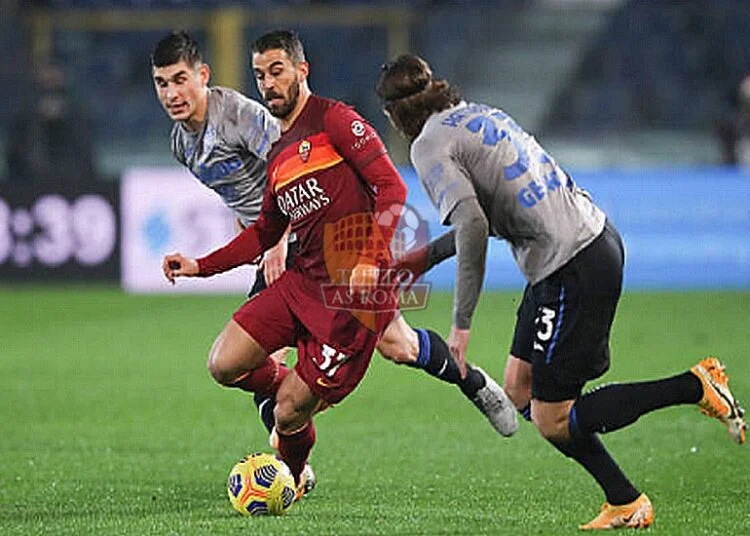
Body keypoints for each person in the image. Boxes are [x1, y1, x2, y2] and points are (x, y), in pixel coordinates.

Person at [376, 54, 747, 530]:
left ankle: (692, 388)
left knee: (553, 418)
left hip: (573, 263)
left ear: (393, 113)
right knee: (520, 390)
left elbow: (471, 224)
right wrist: (421, 259)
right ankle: (624, 499)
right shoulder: (478, 114)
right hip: (582, 246)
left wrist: (461, 324)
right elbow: (488, 216)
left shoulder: (428, 145)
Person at [159, 31, 517, 497]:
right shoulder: (259, 150)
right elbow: (267, 223)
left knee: (388, 354)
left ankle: (467, 383)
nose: (267, 84)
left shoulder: (330, 120)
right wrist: (200, 266)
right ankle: (299, 421)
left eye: (277, 71)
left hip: (347, 281)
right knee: (242, 368)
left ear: (301, 70)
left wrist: (368, 255)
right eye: (260, 76)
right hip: (303, 274)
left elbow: (392, 188)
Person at [7, 62, 97, 184]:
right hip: (29, 182)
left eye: (54, 76)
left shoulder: (77, 111)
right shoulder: (24, 112)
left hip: (72, 182)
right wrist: (37, 117)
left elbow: (85, 152)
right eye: (46, 75)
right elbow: (15, 154)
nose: (50, 78)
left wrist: (65, 116)